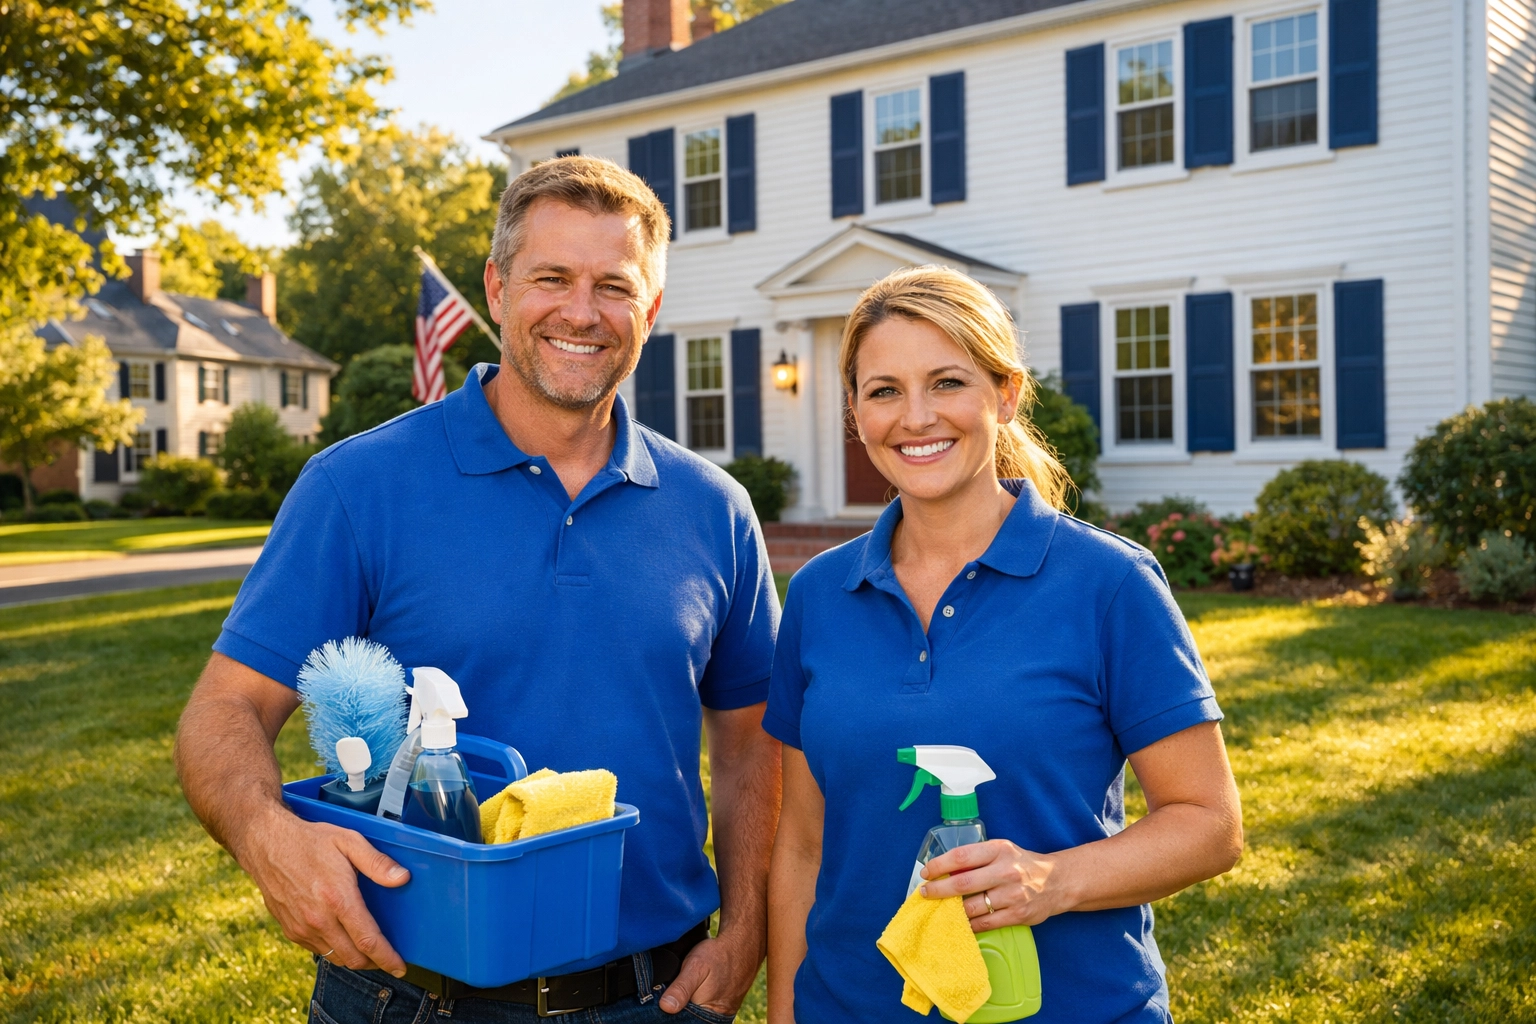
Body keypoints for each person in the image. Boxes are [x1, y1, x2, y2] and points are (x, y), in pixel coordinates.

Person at [175, 156, 781, 1024]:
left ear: (649, 310)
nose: (581, 311)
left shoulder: (715, 509)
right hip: (411, 993)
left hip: (659, 994)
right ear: (496, 289)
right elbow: (223, 711)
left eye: (613, 285)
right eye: (550, 278)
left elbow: (754, 743)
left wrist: (749, 927)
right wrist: (270, 839)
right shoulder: (358, 486)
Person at [764, 267, 1243, 1024]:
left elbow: (1209, 825)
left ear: (1007, 393)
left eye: (947, 382)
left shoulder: (1109, 583)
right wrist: (787, 1012)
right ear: (855, 413)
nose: (916, 417)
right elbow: (801, 844)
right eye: (884, 390)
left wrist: (1052, 880)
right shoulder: (821, 595)